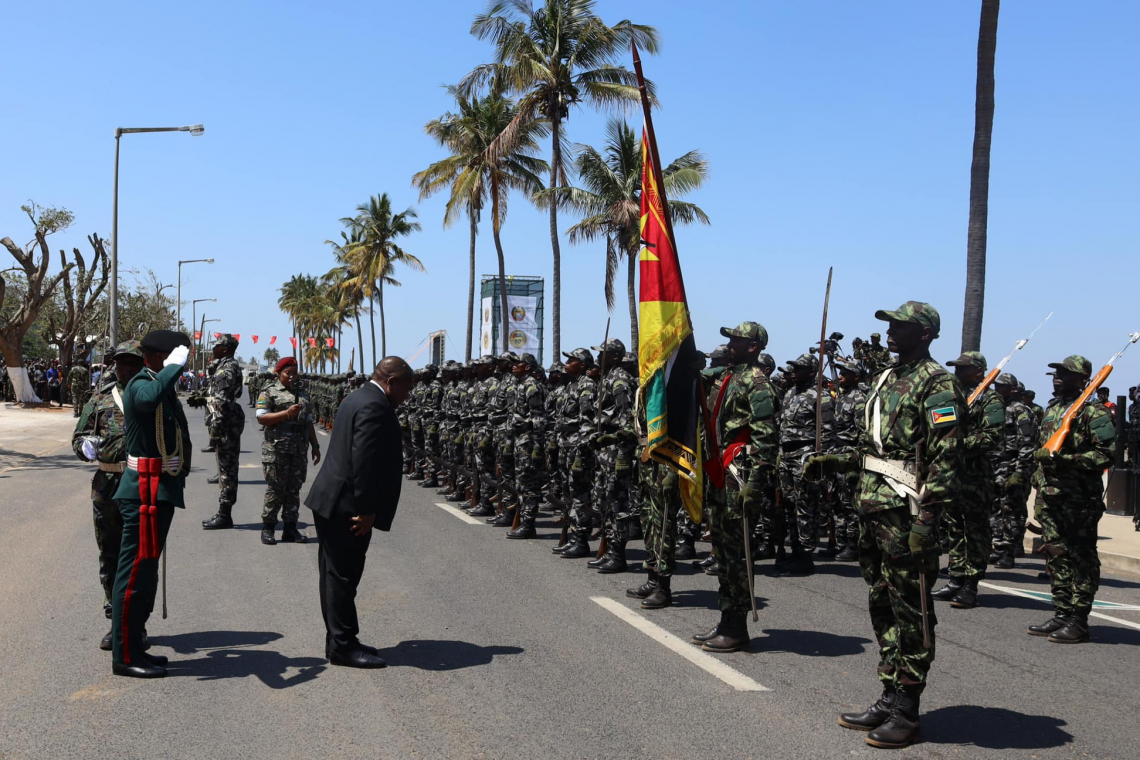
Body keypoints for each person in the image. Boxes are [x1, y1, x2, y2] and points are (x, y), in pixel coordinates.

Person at [812, 301, 963, 749]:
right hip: (873, 507)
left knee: (911, 608)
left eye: (902, 326)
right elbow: (874, 448)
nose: (892, 332)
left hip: (908, 513)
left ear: (927, 334)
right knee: (882, 603)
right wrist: (836, 462)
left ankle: (908, 709)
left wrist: (927, 522)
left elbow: (946, 458)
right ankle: (889, 693)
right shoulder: (887, 378)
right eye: (891, 325)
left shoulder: (938, 384)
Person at [304, 357, 413, 669]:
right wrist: (367, 511)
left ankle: (340, 640)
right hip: (347, 506)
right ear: (392, 382)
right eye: (406, 388)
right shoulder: (375, 406)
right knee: (343, 577)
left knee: (335, 575)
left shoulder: (358, 396)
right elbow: (362, 462)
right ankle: (342, 646)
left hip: (332, 500)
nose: (407, 395)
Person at [110, 330, 193, 678]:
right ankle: (125, 656)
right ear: (159, 356)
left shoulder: (159, 384)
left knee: (144, 575)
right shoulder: (141, 383)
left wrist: (178, 465)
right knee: (132, 577)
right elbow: (146, 401)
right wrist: (173, 366)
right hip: (142, 492)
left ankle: (135, 649)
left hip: (157, 490)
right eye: (176, 355)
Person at [693, 322, 778, 653]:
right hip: (720, 475)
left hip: (739, 478)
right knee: (724, 554)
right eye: (729, 339)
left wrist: (754, 485)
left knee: (737, 555)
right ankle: (727, 618)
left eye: (737, 340)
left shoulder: (757, 384)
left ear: (753, 346)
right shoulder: (727, 378)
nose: (729, 344)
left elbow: (766, 439)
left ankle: (737, 626)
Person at [1027, 355, 1115, 644]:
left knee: (1081, 559)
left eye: (1066, 373)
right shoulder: (1054, 408)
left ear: (1083, 380)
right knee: (1057, 556)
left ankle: (1079, 620)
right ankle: (1062, 612)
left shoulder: (1094, 413)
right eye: (1056, 372)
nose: (1058, 377)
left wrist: (1067, 459)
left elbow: (1106, 454)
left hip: (1078, 499)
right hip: (1051, 496)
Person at [72, 341, 145, 644]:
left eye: (133, 363)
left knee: (139, 557)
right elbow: (77, 437)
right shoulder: (100, 398)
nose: (126, 368)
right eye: (121, 362)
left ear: (142, 365)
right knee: (110, 555)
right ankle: (116, 620)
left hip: (140, 487)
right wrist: (85, 447)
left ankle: (136, 624)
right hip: (106, 488)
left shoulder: (152, 396)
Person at [932, 351, 1002, 609]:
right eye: (956, 368)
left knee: (975, 531)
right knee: (954, 529)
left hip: (975, 476)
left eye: (963, 369)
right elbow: (940, 427)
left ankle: (971, 584)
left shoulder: (990, 399)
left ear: (978, 371)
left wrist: (958, 444)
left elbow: (992, 436)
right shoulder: (952, 396)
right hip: (952, 474)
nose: (957, 373)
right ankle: (955, 578)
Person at [256, 357, 321, 545]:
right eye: (288, 373)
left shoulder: (303, 393)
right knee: (276, 489)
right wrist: (286, 414)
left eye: (294, 372)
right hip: (277, 449)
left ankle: (290, 529)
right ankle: (268, 527)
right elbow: (262, 418)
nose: (292, 376)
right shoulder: (269, 391)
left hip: (299, 449)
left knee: (294, 490)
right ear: (279, 373)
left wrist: (315, 446)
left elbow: (308, 421)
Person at [989, 373, 1037, 568]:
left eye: (1002, 387)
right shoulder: (995, 409)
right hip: (995, 466)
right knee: (995, 510)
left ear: (1012, 389)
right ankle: (998, 547)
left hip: (1011, 466)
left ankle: (1009, 551)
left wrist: (1019, 472)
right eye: (996, 386)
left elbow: (1027, 445)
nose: (997, 389)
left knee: (1011, 511)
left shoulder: (1020, 411)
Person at [202, 335, 246, 530]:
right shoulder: (226, 366)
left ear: (226, 349)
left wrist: (217, 428)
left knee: (228, 471)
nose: (214, 349)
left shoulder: (227, 370)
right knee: (225, 468)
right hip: (226, 424)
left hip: (226, 425)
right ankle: (224, 512)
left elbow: (224, 402)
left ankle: (224, 515)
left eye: (217, 346)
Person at [506, 353, 548, 539]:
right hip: (520, 439)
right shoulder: (521, 384)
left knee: (529, 484)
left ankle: (528, 524)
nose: (514, 366)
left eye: (518, 363)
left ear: (528, 367)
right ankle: (524, 520)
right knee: (521, 482)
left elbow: (538, 418)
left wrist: (538, 447)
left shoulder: (531, 386)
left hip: (529, 441)